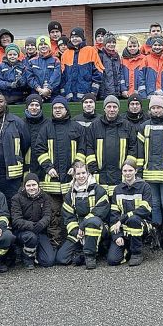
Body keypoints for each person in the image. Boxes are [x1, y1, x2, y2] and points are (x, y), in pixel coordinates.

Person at [32, 96, 89, 246]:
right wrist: (48, 167)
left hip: (72, 181)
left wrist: (76, 166)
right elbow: (39, 149)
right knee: (53, 214)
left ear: (66, 109)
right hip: (52, 182)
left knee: (73, 212)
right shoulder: (46, 127)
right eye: (55, 108)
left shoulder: (76, 127)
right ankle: (55, 243)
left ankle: (76, 243)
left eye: (60, 108)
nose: (57, 110)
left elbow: (83, 148)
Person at [135, 94, 163, 249]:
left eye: (159, 107)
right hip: (149, 173)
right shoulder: (144, 126)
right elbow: (140, 152)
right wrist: (140, 171)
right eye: (153, 108)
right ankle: (157, 232)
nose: (156, 110)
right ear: (150, 109)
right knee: (154, 204)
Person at [56, 161, 110, 269]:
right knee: (61, 258)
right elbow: (68, 217)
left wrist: (83, 225)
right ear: (74, 175)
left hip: (97, 227)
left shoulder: (98, 190)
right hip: (79, 232)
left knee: (93, 222)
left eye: (83, 173)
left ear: (88, 173)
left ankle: (90, 257)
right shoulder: (70, 194)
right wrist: (77, 232)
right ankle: (83, 253)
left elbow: (100, 212)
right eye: (78, 174)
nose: (81, 176)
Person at [108, 159, 154, 266]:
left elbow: (145, 209)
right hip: (123, 228)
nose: (127, 173)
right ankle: (128, 247)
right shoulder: (117, 189)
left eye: (130, 170)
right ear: (122, 172)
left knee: (133, 219)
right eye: (125, 171)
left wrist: (124, 218)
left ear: (136, 171)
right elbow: (114, 215)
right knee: (112, 260)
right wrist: (117, 236)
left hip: (141, 224)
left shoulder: (144, 187)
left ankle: (136, 253)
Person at [88, 95, 138, 195]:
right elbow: (89, 147)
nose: (112, 110)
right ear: (104, 108)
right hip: (100, 175)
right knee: (102, 204)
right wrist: (93, 168)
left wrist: (127, 167)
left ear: (118, 109)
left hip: (121, 175)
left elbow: (133, 148)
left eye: (114, 107)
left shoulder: (127, 126)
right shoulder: (94, 126)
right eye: (109, 107)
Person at [10, 173, 55, 269]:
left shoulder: (45, 197)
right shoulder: (16, 198)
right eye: (28, 185)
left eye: (34, 185)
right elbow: (16, 219)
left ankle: (36, 252)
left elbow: (47, 215)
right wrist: (31, 225)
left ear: (38, 185)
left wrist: (41, 224)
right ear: (24, 186)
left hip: (40, 230)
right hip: (23, 232)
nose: (31, 188)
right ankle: (27, 258)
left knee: (48, 261)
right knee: (31, 237)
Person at [60, 27, 104, 101]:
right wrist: (64, 94)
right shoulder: (65, 54)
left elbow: (98, 73)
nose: (74, 39)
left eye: (77, 37)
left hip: (87, 98)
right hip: (69, 98)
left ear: (82, 38)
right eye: (72, 37)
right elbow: (62, 77)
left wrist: (93, 92)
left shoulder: (91, 51)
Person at [27, 35, 62, 101]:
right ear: (37, 47)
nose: (43, 46)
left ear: (49, 46)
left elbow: (56, 76)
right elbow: (30, 78)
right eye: (40, 44)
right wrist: (39, 89)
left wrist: (48, 89)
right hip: (36, 94)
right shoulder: (31, 61)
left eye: (45, 44)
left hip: (53, 94)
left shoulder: (55, 60)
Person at [97, 33, 127, 99]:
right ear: (105, 43)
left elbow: (119, 72)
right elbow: (99, 74)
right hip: (105, 93)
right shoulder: (100, 55)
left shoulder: (116, 56)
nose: (112, 44)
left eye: (113, 42)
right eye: (109, 42)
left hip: (117, 91)